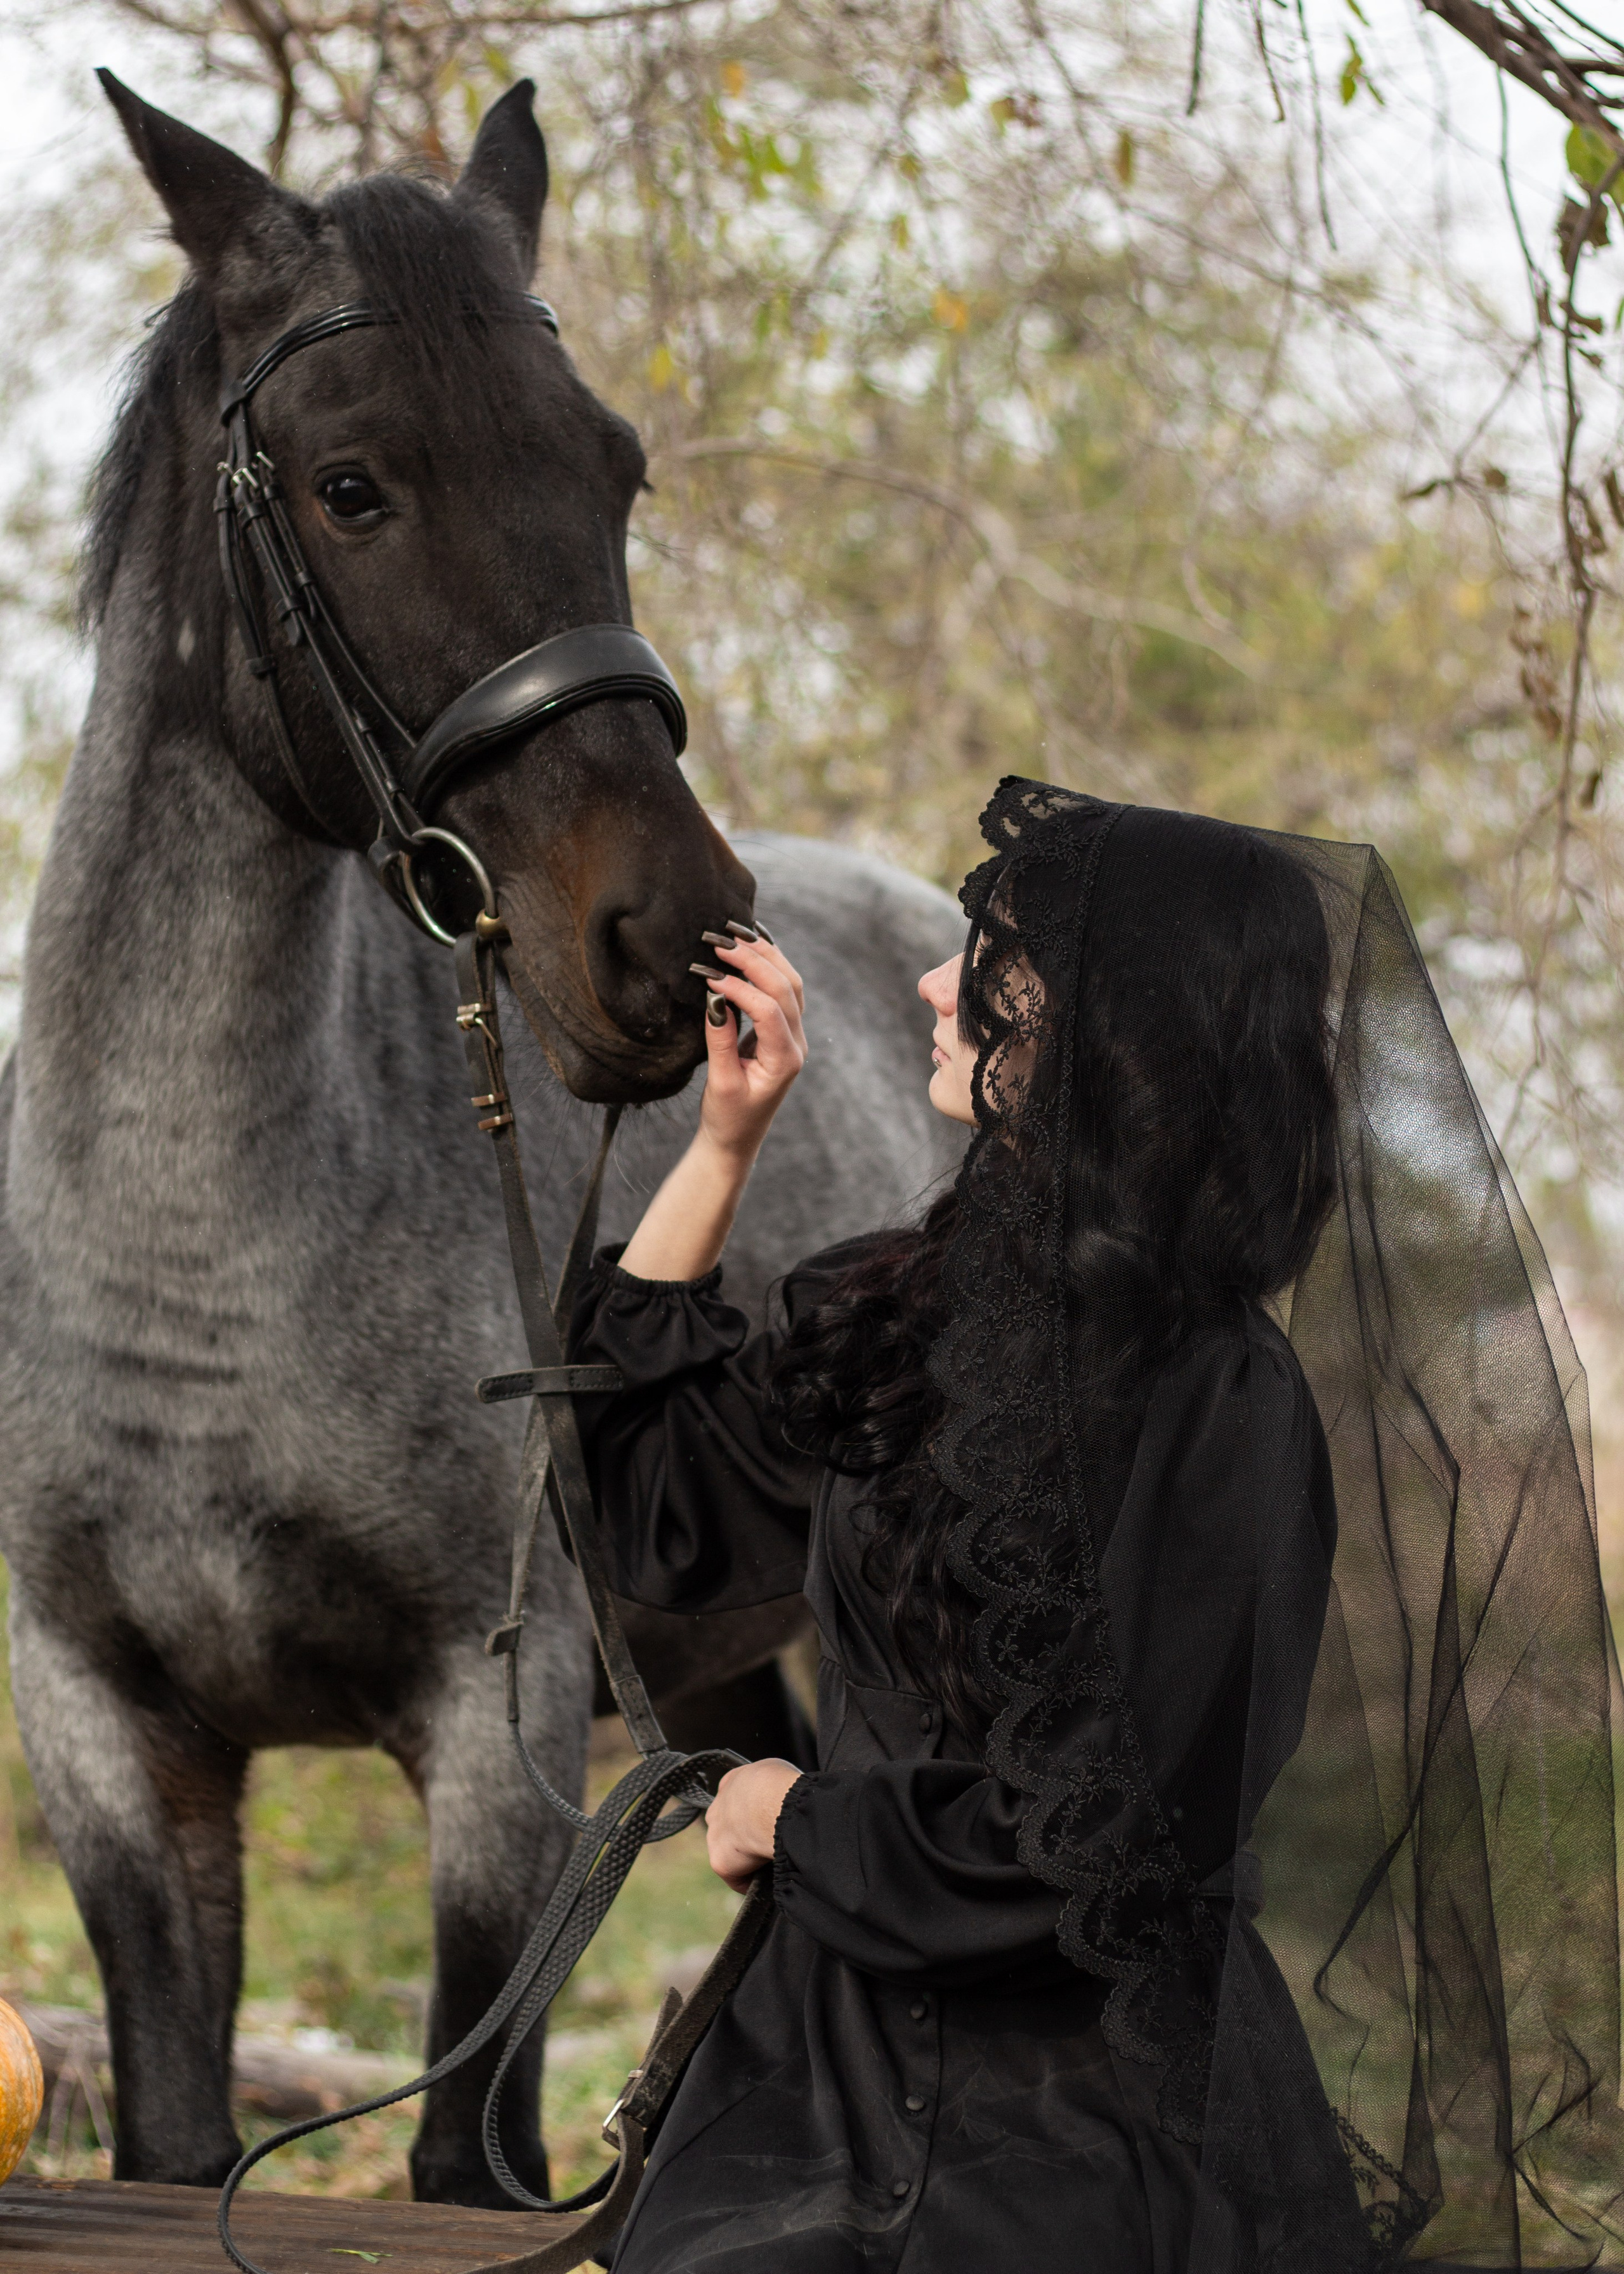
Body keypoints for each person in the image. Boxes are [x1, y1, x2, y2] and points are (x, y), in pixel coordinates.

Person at [570, 781, 1624, 2273]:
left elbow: (1104, 1837)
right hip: (815, 2082)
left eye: (987, 960)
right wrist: (723, 1147)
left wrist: (784, 1813)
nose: (934, 985)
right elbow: (654, 1512)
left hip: (1090, 2128)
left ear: (1116, 1022)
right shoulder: (893, 1313)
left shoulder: (1222, 1404)